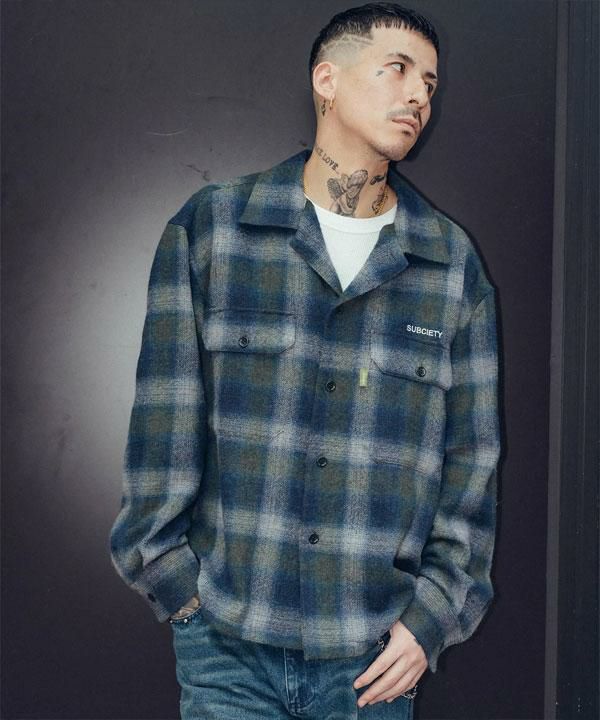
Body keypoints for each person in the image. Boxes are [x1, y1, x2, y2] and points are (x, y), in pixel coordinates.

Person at [109, 3, 502, 718]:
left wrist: (432, 619)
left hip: (373, 663)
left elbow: (471, 465)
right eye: (397, 69)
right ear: (327, 79)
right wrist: (176, 589)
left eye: (430, 83)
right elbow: (162, 426)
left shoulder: (450, 265)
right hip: (226, 651)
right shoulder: (213, 230)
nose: (419, 95)